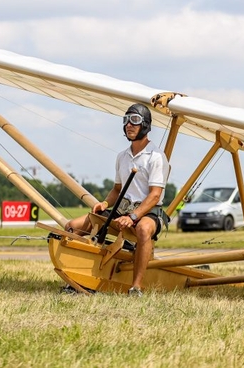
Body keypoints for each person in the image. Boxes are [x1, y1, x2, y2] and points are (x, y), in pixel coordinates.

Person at [64, 103, 170, 296]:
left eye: (135, 120)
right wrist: (104, 204)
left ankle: (136, 287)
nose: (129, 124)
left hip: (148, 212)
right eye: (126, 120)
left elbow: (155, 195)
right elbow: (117, 190)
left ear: (145, 125)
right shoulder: (122, 157)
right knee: (72, 226)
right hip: (121, 210)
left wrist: (133, 217)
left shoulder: (156, 157)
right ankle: (75, 277)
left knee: (143, 229)